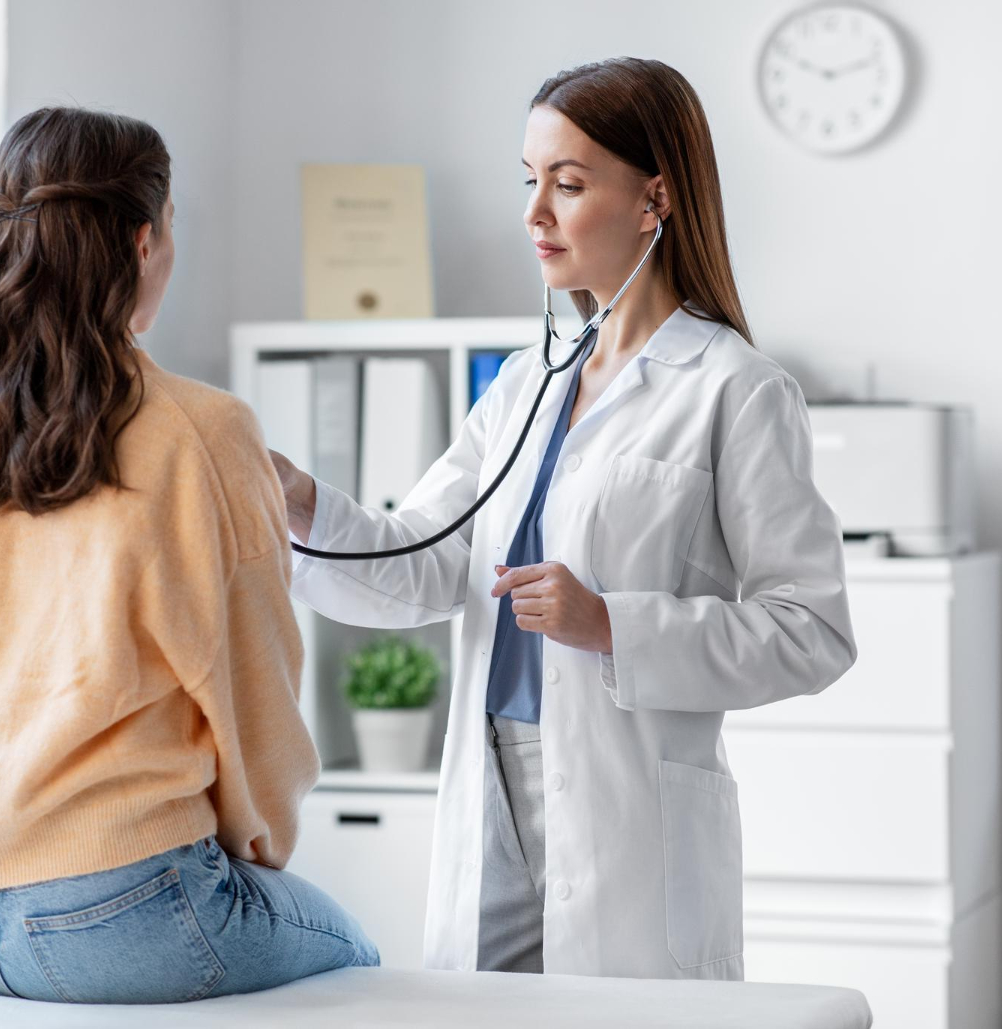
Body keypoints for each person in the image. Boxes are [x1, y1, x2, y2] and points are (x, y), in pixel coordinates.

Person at [269, 57, 857, 981]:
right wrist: (303, 502)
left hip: (629, 810)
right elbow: (426, 562)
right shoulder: (521, 385)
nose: (535, 211)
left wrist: (612, 623)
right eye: (530, 181)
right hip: (490, 783)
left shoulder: (736, 390)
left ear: (653, 197)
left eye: (569, 183)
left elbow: (812, 630)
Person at [0, 106, 377, 1005]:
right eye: (173, 225)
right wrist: (255, 855)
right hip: (119, 911)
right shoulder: (203, 431)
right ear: (143, 242)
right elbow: (252, 689)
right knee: (360, 958)